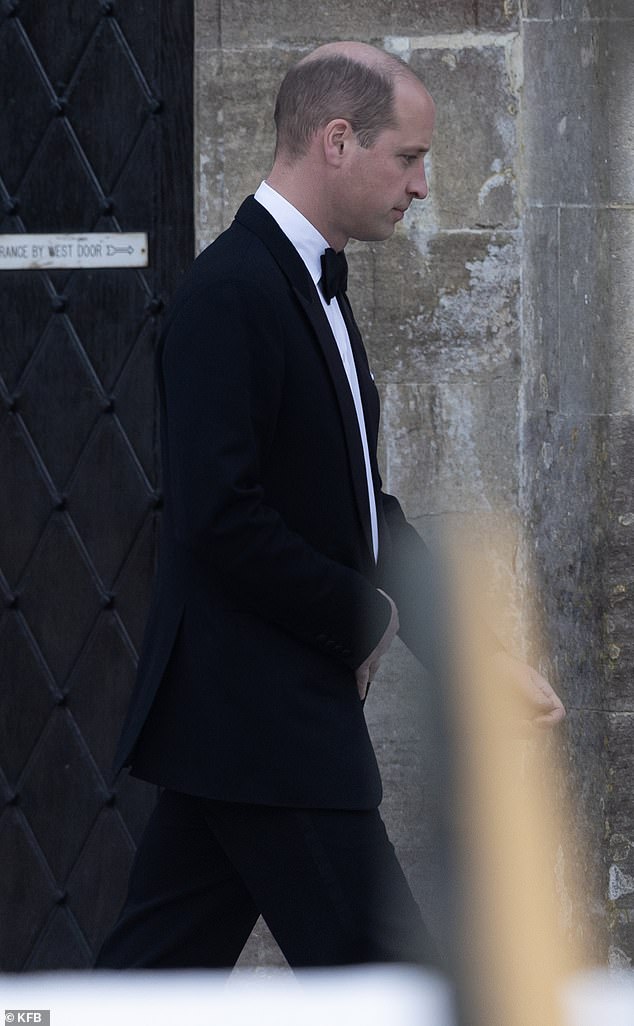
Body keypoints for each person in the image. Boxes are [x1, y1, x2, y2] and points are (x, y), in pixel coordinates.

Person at [96, 40, 565, 971]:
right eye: (410, 157)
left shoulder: (313, 290)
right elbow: (219, 516)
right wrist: (363, 617)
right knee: (392, 987)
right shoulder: (231, 293)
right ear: (338, 140)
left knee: (147, 979)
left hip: (242, 736)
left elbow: (364, 509)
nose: (422, 186)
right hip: (271, 728)